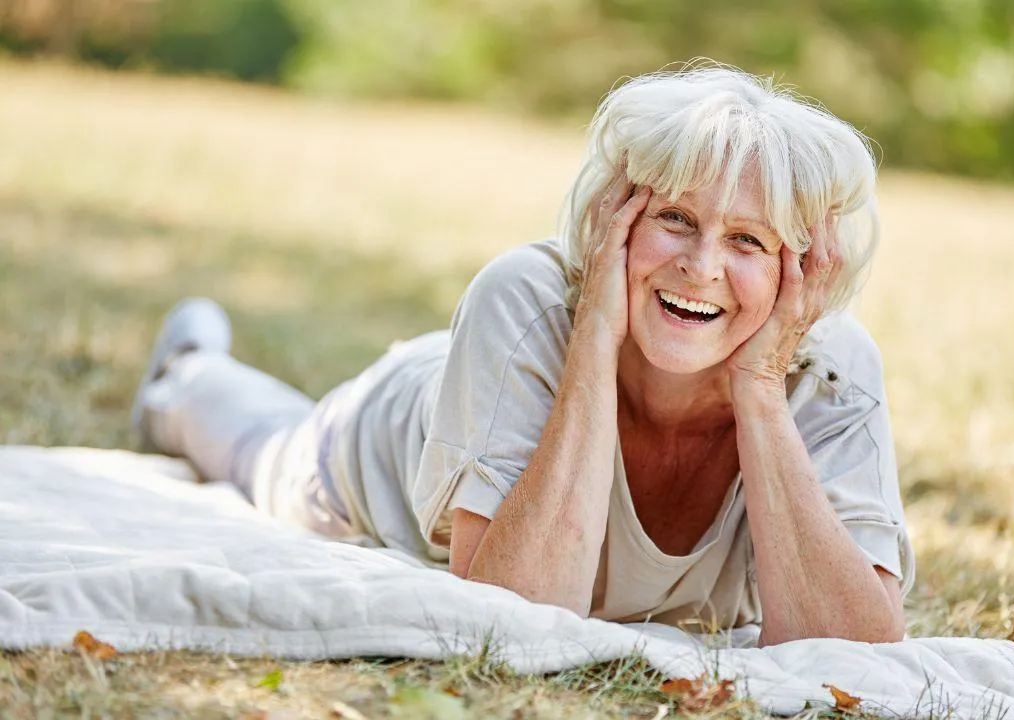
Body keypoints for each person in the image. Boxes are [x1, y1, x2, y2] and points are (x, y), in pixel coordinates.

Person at [132, 62, 914, 645]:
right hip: (383, 439)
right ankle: (188, 374)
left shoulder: (828, 367)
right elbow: (514, 614)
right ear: (615, 217)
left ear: (805, 268)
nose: (702, 265)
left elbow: (858, 649)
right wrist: (592, 341)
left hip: (531, 385)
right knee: (261, 449)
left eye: (747, 239)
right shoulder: (523, 296)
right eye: (674, 218)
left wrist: (758, 385)